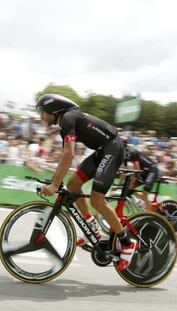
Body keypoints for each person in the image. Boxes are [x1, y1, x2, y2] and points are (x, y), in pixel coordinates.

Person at [36, 94, 137, 271]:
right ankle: (92, 227)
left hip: (113, 149)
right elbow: (65, 156)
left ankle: (127, 242)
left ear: (53, 109)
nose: (41, 117)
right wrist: (55, 181)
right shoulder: (66, 121)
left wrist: (53, 185)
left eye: (42, 112)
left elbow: (69, 154)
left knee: (97, 200)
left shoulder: (67, 118)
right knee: (73, 185)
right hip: (103, 150)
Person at [123, 140, 159, 211]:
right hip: (145, 171)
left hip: (152, 171)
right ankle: (143, 202)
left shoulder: (132, 153)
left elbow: (137, 169)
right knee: (129, 189)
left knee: (144, 194)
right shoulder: (127, 153)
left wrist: (132, 177)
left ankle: (150, 213)